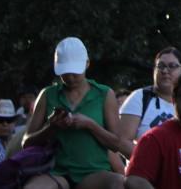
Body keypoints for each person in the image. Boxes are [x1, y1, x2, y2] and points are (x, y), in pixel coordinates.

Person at [22, 37, 125, 189]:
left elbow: (116, 143)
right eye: (65, 73)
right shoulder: (47, 95)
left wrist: (90, 125)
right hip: (57, 171)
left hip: (93, 172)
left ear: (87, 64)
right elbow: (26, 143)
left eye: (75, 72)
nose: (70, 78)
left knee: (117, 183)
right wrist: (52, 127)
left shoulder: (104, 94)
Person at [117, 48, 181, 152]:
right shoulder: (140, 97)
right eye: (160, 66)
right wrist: (150, 163)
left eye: (172, 66)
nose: (165, 71)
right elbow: (123, 141)